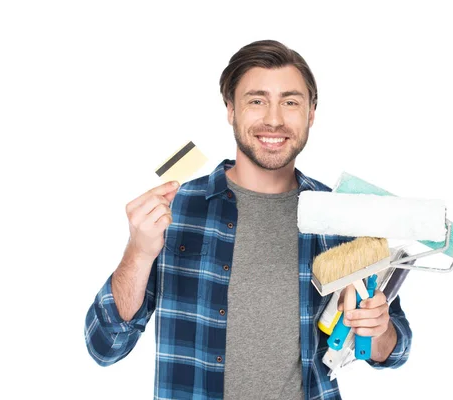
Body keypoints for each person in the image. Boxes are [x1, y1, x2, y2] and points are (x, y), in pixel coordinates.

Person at [84, 39, 412, 400]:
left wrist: (378, 328)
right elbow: (105, 345)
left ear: (312, 113)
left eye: (290, 102)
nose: (274, 119)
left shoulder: (339, 216)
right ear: (230, 110)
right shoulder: (174, 210)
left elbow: (394, 351)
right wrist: (139, 252)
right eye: (256, 101)